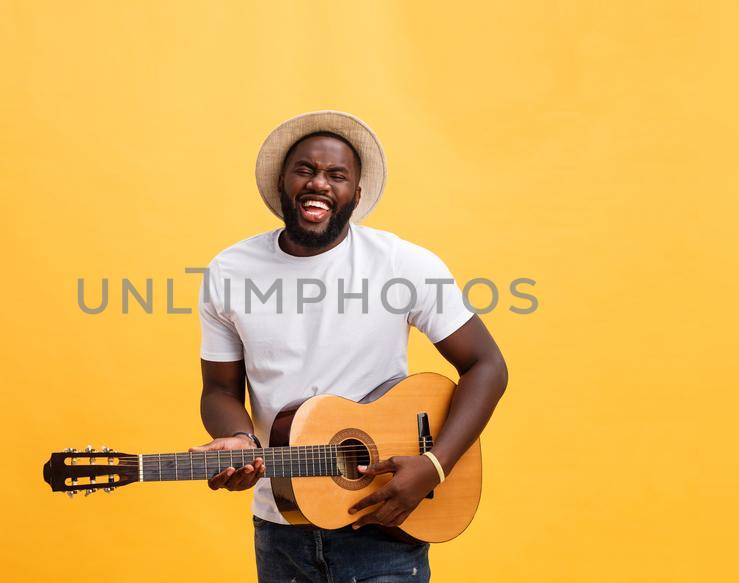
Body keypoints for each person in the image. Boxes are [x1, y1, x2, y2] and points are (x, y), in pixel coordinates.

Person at [190, 110, 508, 582]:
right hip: (282, 528)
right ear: (283, 182)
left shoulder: (402, 263)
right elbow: (218, 390)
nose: (320, 183)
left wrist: (434, 466)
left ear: (355, 195)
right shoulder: (229, 271)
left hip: (385, 525)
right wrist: (241, 442)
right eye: (306, 170)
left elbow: (487, 365)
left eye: (337, 175)